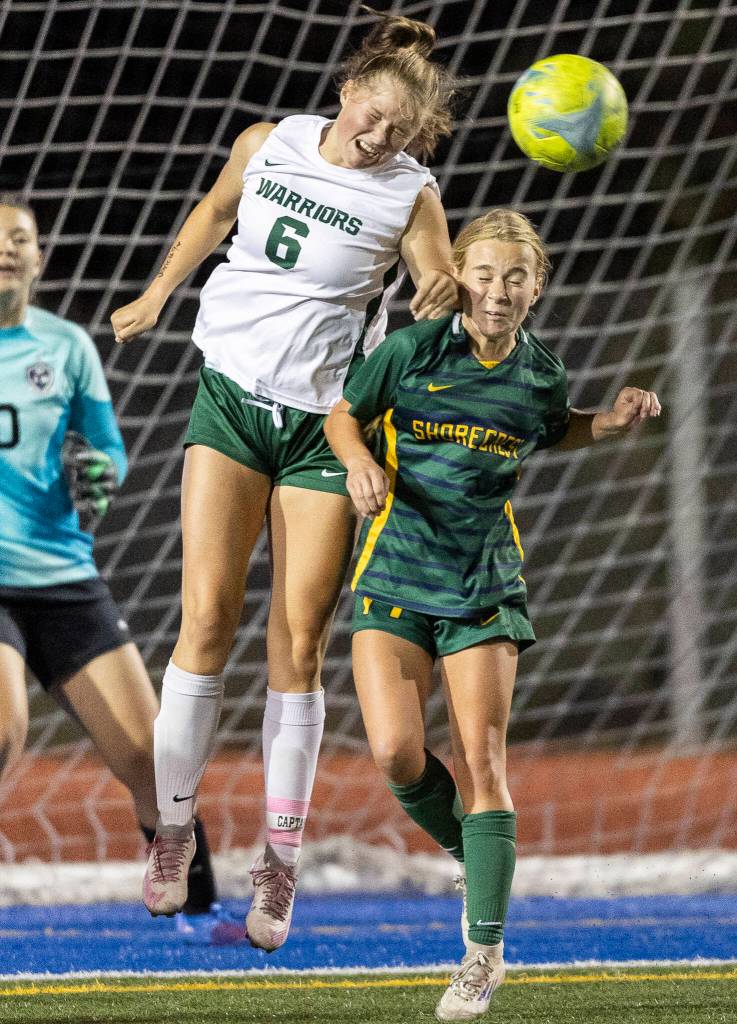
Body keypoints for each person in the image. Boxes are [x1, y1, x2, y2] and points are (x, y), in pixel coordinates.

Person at [109, 8, 461, 948]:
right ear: (345, 92)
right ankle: (174, 833)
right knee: (205, 619)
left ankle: (280, 864)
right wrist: (155, 293)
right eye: (369, 116)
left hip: (324, 429)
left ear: (414, 137)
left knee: (297, 645)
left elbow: (436, 278)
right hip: (229, 402)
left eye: (397, 131)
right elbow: (217, 211)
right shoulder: (269, 142)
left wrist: (442, 289)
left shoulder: (410, 193)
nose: (375, 137)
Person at [323, 208, 661, 1021]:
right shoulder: (409, 350)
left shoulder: (539, 372)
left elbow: (555, 429)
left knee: (481, 759)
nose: (499, 290)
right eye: (484, 273)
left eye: (516, 277)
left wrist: (605, 423)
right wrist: (360, 460)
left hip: (483, 585)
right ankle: (477, 865)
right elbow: (341, 415)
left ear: (536, 286)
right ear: (459, 275)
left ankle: (482, 953)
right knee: (398, 754)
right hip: (395, 575)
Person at [0, 197, 234, 939]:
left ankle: (200, 917)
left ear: (40, 258)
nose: (7, 248)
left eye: (19, 238)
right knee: (3, 730)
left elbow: (109, 449)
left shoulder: (66, 346)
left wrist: (98, 471)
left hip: (64, 579)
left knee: (156, 761)